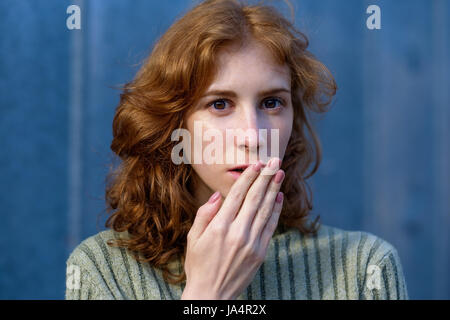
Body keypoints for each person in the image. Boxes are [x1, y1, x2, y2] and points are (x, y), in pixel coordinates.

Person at [65, 0, 409, 300]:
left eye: (272, 102)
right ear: (174, 123)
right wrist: (207, 295)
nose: (253, 135)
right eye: (219, 104)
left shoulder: (366, 269)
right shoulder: (100, 272)